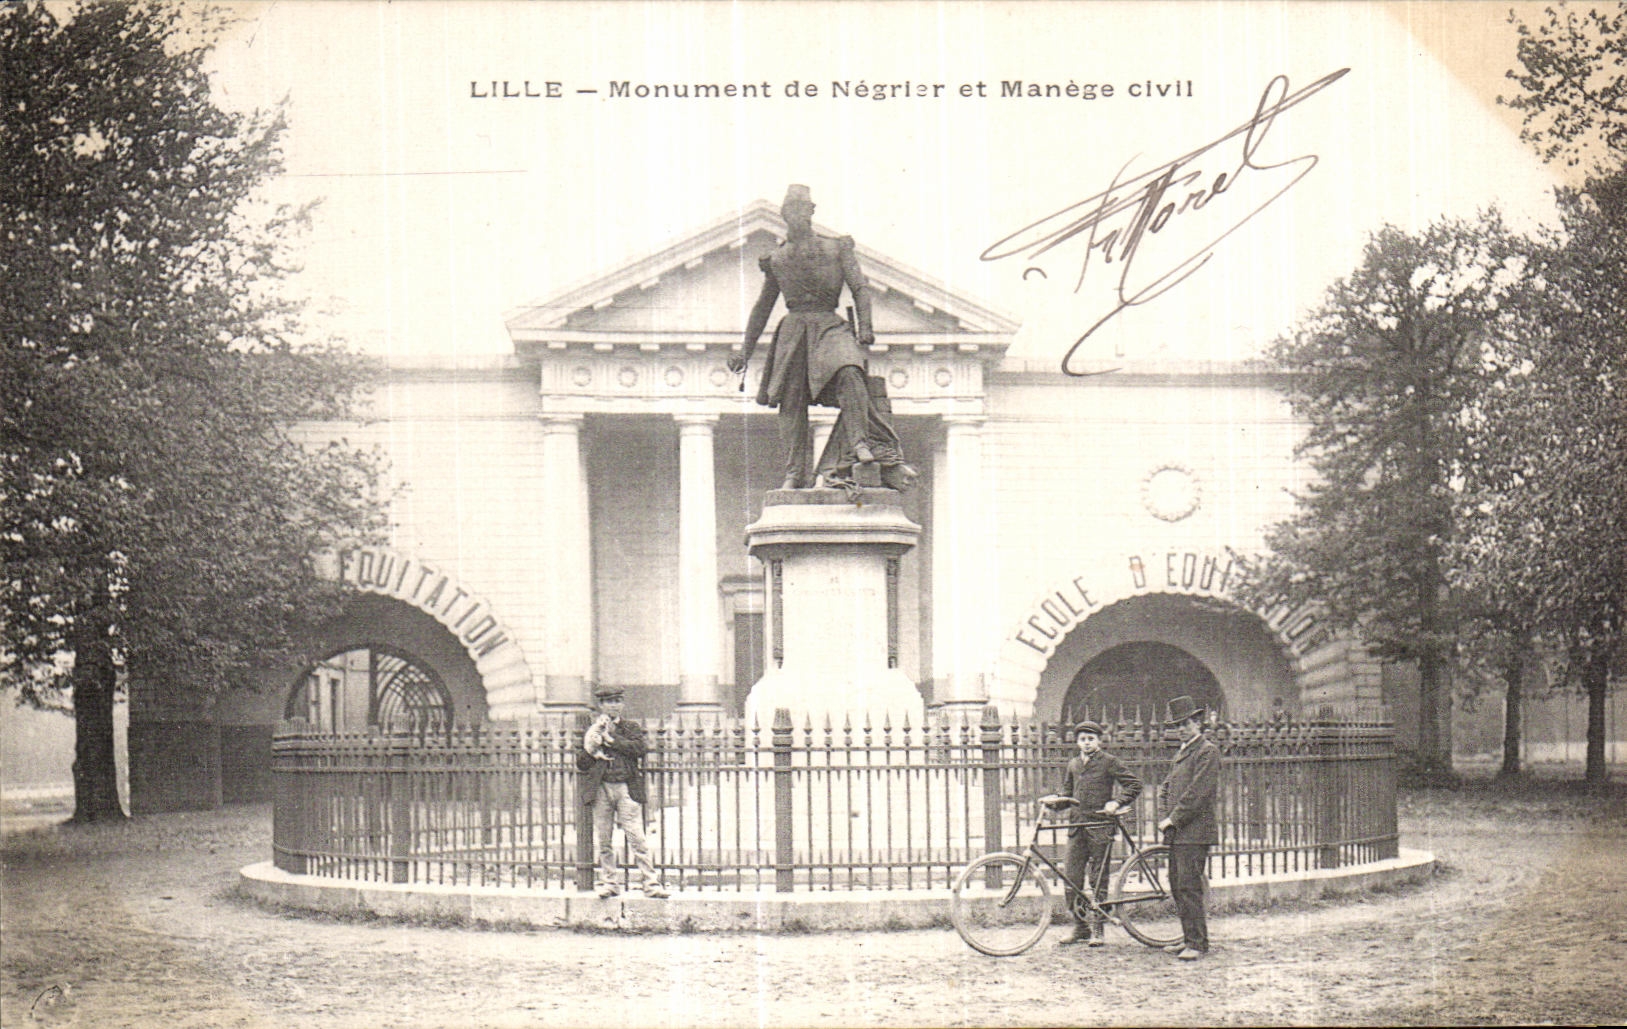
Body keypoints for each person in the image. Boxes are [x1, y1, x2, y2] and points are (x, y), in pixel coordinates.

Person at [727, 184, 917, 492]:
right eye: (790, 210)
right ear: (784, 215)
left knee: (850, 372)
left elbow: (859, 287)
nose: (796, 216)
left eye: (802, 209)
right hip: (794, 330)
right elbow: (763, 307)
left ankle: (860, 443)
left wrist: (866, 326)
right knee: (791, 401)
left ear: (811, 212)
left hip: (830, 324)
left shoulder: (836, 248)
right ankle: (795, 473)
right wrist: (744, 352)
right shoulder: (777, 259)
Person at [1052, 720, 1143, 947]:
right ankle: (1080, 926)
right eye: (1082, 739)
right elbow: (1067, 792)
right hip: (1077, 827)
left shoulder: (1109, 762)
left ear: (1098, 741)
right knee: (1071, 878)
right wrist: (1055, 802)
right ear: (1077, 742)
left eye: (1091, 739)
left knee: (1097, 879)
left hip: (1100, 827)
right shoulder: (1073, 764)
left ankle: (1098, 928)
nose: (1087, 743)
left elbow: (1134, 784)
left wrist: (1117, 801)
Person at [576, 686, 669, 899]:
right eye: (609, 702)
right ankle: (610, 883)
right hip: (602, 790)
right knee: (605, 840)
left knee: (637, 838)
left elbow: (639, 748)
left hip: (626, 788)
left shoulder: (630, 727)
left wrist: (611, 740)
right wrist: (593, 747)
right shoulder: (592, 730)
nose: (614, 705)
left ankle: (651, 883)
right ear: (601, 705)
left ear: (622, 704)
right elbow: (582, 763)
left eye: (617, 701)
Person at [1157, 695, 1221, 960]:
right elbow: (1166, 788)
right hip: (1178, 832)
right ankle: (1187, 938)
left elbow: (1198, 793)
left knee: (1189, 885)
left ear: (1198, 723)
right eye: (1177, 725)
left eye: (1186, 723)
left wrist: (1174, 818)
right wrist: (1165, 814)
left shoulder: (1207, 751)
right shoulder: (1182, 752)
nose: (1181, 729)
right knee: (1177, 884)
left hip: (1195, 832)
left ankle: (1197, 943)